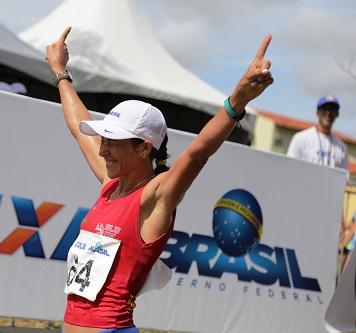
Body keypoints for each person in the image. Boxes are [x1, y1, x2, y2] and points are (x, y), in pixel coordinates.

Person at [45, 26, 273, 333]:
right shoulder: (109, 184)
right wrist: (60, 72)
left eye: (113, 141)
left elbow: (197, 154)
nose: (103, 149)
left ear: (143, 147)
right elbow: (78, 125)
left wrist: (238, 100)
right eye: (103, 139)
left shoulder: (156, 195)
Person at [286, 95, 348, 169]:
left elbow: (343, 177)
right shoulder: (301, 138)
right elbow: (289, 168)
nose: (328, 113)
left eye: (332, 109)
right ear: (317, 112)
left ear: (337, 114)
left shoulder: (342, 148)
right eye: (325, 108)